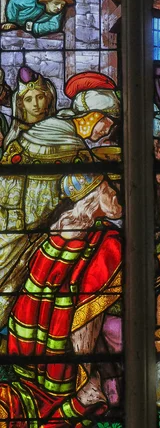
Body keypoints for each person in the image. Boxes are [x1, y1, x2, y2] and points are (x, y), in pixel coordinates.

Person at [0, 72, 121, 329]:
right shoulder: (69, 144)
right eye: (107, 122)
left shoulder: (55, 126)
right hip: (25, 230)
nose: (108, 130)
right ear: (92, 117)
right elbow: (98, 197)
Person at [0, 174, 123, 425]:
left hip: (38, 350)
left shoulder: (62, 234)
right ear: (92, 200)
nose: (115, 194)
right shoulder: (99, 239)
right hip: (58, 350)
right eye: (108, 189)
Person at [3, 66, 57, 152]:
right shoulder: (15, 140)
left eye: (40, 97)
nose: (35, 104)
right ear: (21, 105)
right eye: (28, 100)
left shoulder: (58, 131)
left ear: (48, 99)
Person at [2, 0, 74, 36]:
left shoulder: (57, 12)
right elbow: (14, 2)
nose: (59, 7)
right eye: (56, 3)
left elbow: (54, 26)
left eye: (62, 5)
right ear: (47, 1)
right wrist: (12, 22)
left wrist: (34, 27)